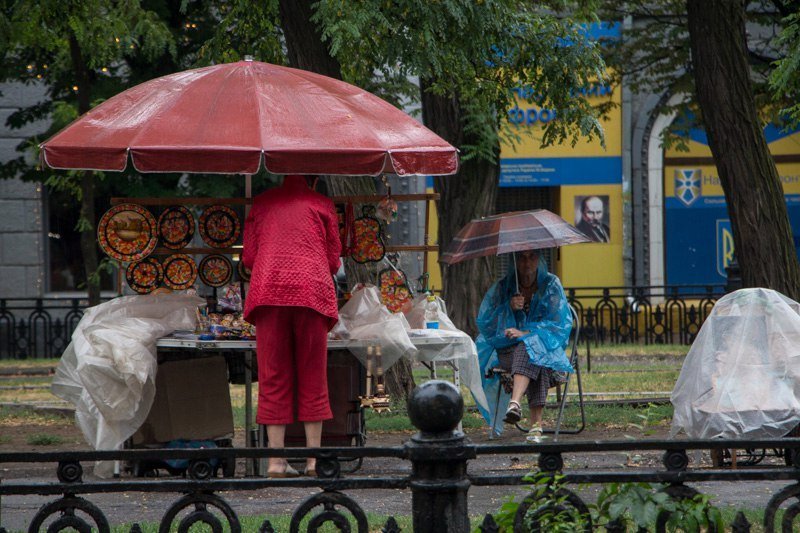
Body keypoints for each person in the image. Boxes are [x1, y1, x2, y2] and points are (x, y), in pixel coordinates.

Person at [243, 174, 341, 477]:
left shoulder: (262, 203)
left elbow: (249, 258)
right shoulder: (322, 204)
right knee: (313, 375)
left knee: (272, 375)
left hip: (268, 291)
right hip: (312, 292)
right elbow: (333, 261)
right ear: (314, 178)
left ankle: (276, 461)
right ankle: (313, 460)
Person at [476, 249, 573, 442]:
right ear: (514, 260)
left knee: (532, 348)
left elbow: (559, 325)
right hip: (508, 351)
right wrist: (507, 308)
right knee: (533, 352)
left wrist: (526, 334)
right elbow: (486, 324)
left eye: (532, 257)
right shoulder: (504, 287)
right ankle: (536, 426)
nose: (527, 262)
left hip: (544, 349)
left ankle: (515, 403)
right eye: (521, 257)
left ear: (539, 259)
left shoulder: (550, 285)